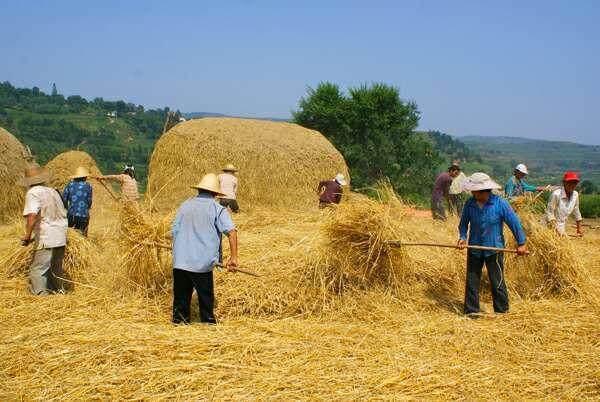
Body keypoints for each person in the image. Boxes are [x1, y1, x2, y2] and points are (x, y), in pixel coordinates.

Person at [171, 173, 239, 324]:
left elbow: (174, 231)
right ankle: (208, 326)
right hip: (202, 264)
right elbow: (231, 232)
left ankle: (179, 330)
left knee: (180, 307)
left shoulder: (185, 205)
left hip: (180, 262)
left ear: (199, 190)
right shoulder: (217, 209)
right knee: (206, 304)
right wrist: (233, 258)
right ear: (215, 193)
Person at [458, 172, 528, 316]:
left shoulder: (500, 204)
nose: (473, 193)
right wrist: (463, 237)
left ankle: (502, 310)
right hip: (475, 248)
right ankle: (471, 311)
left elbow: (514, 223)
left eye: (475, 191)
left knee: (497, 280)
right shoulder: (470, 204)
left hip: (494, 248)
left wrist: (521, 243)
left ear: (484, 190)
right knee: (472, 280)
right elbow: (463, 224)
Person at [19, 164, 68, 295]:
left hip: (47, 237)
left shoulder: (33, 193)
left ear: (29, 182)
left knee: (38, 270)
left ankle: (41, 298)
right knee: (56, 269)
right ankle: (60, 293)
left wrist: (27, 236)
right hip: (61, 235)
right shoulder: (53, 191)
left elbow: (32, 216)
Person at [543, 171, 584, 236]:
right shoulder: (556, 194)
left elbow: (576, 211)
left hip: (561, 227)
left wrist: (579, 229)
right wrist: (555, 229)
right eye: (569, 182)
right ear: (564, 183)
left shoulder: (575, 195)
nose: (572, 185)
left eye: (574, 183)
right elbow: (549, 213)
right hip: (548, 228)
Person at [62, 166, 93, 236]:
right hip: (84, 215)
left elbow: (64, 199)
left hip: (71, 214)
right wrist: (86, 208)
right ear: (85, 177)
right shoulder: (89, 186)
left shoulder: (70, 185)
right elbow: (89, 201)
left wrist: (67, 208)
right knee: (83, 237)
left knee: (69, 235)